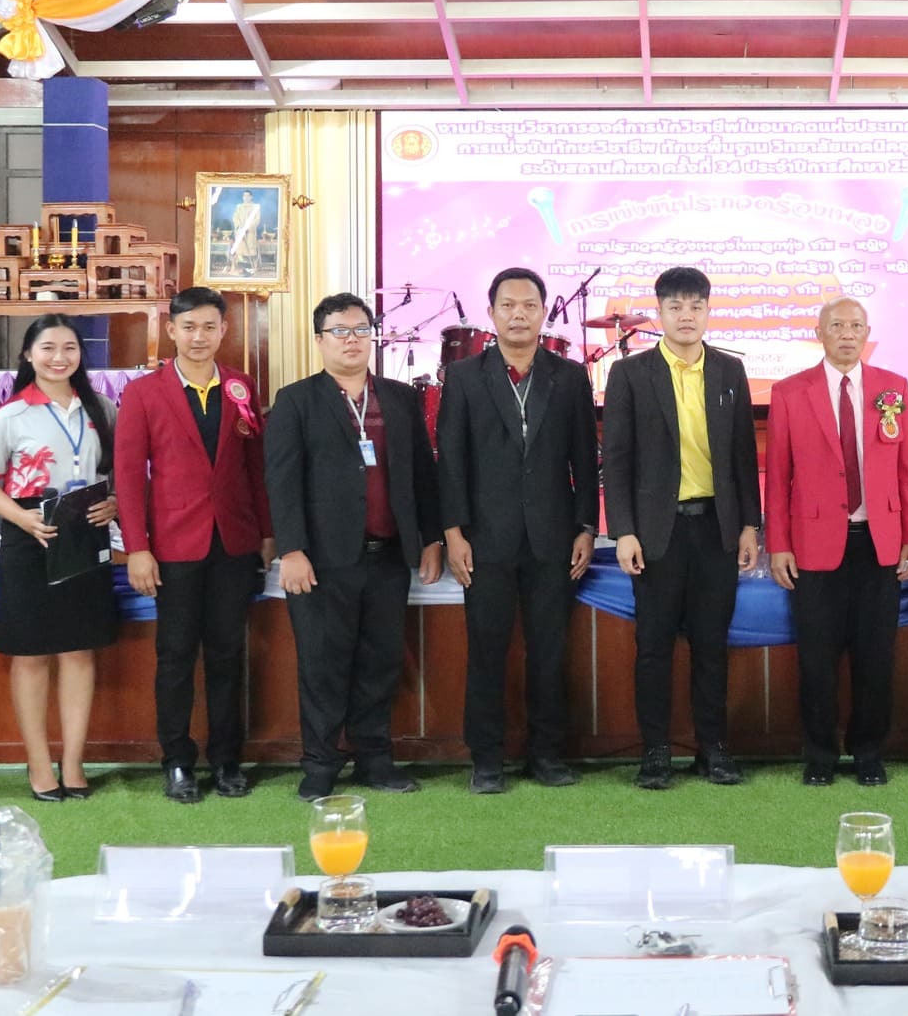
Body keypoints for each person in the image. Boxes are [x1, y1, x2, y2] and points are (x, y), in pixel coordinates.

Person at [264, 293, 443, 801]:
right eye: (339, 331)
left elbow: (422, 475)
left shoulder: (400, 398)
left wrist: (430, 538)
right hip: (321, 560)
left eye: (361, 330)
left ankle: (374, 760)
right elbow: (281, 481)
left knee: (380, 664)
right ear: (319, 340)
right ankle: (320, 764)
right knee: (323, 665)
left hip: (388, 556)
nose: (352, 340)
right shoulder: (296, 401)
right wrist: (291, 549)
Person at [437, 268, 600, 794]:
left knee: (549, 653)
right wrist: (453, 532)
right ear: (490, 314)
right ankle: (486, 759)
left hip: (554, 538)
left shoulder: (569, 377)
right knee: (487, 652)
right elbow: (451, 461)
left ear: (543, 313)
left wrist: (586, 526)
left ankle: (546, 754)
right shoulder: (465, 377)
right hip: (485, 539)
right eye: (508, 305)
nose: (519, 314)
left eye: (529, 305)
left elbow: (584, 458)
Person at [603, 266, 762, 790]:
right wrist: (623, 530)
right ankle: (655, 752)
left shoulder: (729, 371)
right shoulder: (630, 373)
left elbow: (743, 456)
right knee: (653, 647)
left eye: (695, 306)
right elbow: (617, 459)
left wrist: (749, 524)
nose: (686, 316)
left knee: (711, 646)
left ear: (708, 311)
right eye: (675, 307)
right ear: (661, 312)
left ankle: (713, 749)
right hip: (657, 533)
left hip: (716, 529)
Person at [117, 287, 274, 803]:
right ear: (171, 331)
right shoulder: (144, 392)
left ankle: (227, 760)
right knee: (176, 656)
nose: (199, 337)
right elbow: (128, 476)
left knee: (228, 654)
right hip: (172, 546)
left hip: (233, 542)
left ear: (224, 330)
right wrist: (137, 547)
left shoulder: (240, 386)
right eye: (188, 327)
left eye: (209, 327)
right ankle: (178, 762)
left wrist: (266, 533)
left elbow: (255, 467)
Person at [767, 297, 908, 787]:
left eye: (856, 325)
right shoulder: (790, 392)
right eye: (836, 325)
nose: (847, 334)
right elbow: (778, 475)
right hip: (813, 544)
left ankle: (868, 753)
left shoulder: (893, 388)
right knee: (816, 659)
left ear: (867, 333)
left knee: (875, 658)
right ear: (819, 333)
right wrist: (779, 543)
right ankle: (819, 755)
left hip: (879, 543)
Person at [0, 315, 120, 803]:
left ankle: (73, 761)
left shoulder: (103, 409)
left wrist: (115, 501)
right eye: (48, 347)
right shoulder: (8, 416)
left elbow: (122, 469)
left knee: (79, 650)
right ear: (28, 355)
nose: (59, 357)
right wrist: (21, 518)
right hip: (29, 535)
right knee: (31, 654)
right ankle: (38, 763)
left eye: (69, 348)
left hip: (85, 531)